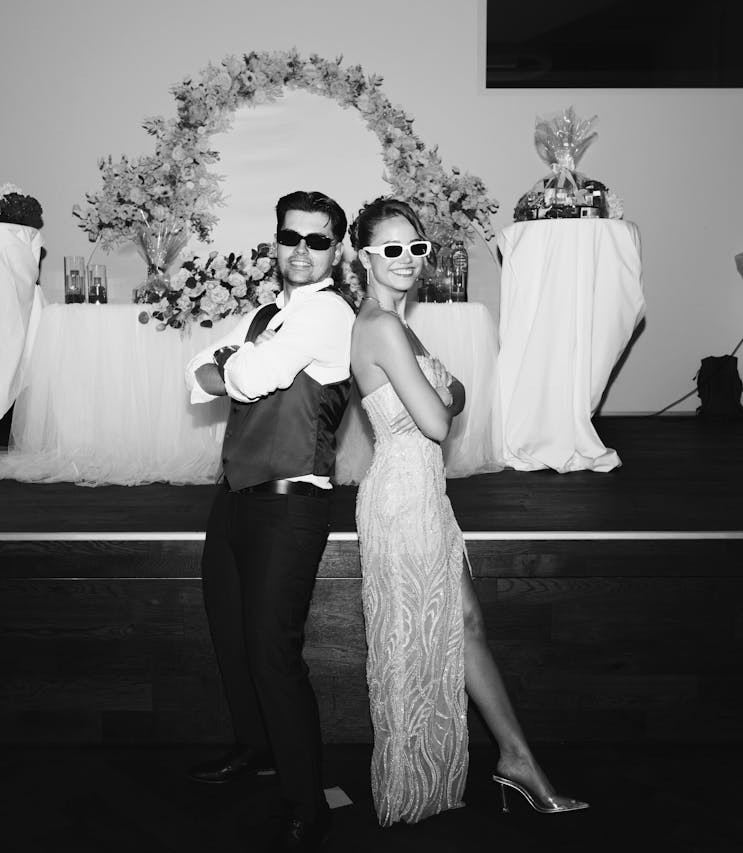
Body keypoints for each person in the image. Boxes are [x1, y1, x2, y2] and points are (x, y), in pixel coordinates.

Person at [349, 197, 588, 826]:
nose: (406, 261)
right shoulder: (380, 325)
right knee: (426, 633)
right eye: (390, 249)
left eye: (416, 248)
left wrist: (447, 394)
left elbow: (449, 395)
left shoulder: (401, 326)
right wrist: (447, 394)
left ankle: (515, 758)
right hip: (402, 499)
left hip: (424, 495)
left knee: (465, 624)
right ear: (364, 256)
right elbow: (436, 414)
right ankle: (505, 762)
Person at [184, 190, 356, 852]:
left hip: (291, 504)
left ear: (336, 248)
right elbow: (195, 375)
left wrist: (228, 365)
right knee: (231, 636)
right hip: (234, 497)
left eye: (319, 240)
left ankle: (309, 803)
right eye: (293, 237)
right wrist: (226, 365)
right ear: (277, 240)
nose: (303, 251)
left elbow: (250, 377)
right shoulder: (263, 312)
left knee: (272, 654)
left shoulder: (331, 313)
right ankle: (255, 750)